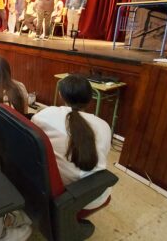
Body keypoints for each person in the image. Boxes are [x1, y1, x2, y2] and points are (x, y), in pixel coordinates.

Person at [32, 74, 111, 209]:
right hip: (92, 195)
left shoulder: (44, 115)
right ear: (90, 98)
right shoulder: (103, 126)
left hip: (56, 188)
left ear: (61, 95)